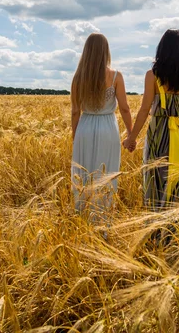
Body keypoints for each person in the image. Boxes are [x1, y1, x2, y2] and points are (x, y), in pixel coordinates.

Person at [123, 29, 179, 212]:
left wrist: (132, 138)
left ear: (162, 50)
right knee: (178, 181)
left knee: (155, 178)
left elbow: (144, 110)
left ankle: (154, 229)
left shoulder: (152, 76)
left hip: (159, 133)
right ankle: (173, 230)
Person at [71, 33, 132, 225]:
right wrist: (131, 134)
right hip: (108, 127)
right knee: (105, 174)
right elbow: (124, 108)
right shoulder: (115, 76)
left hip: (85, 127)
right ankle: (102, 220)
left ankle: (82, 219)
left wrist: (76, 137)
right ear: (106, 51)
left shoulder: (78, 78)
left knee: (84, 174)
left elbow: (75, 111)